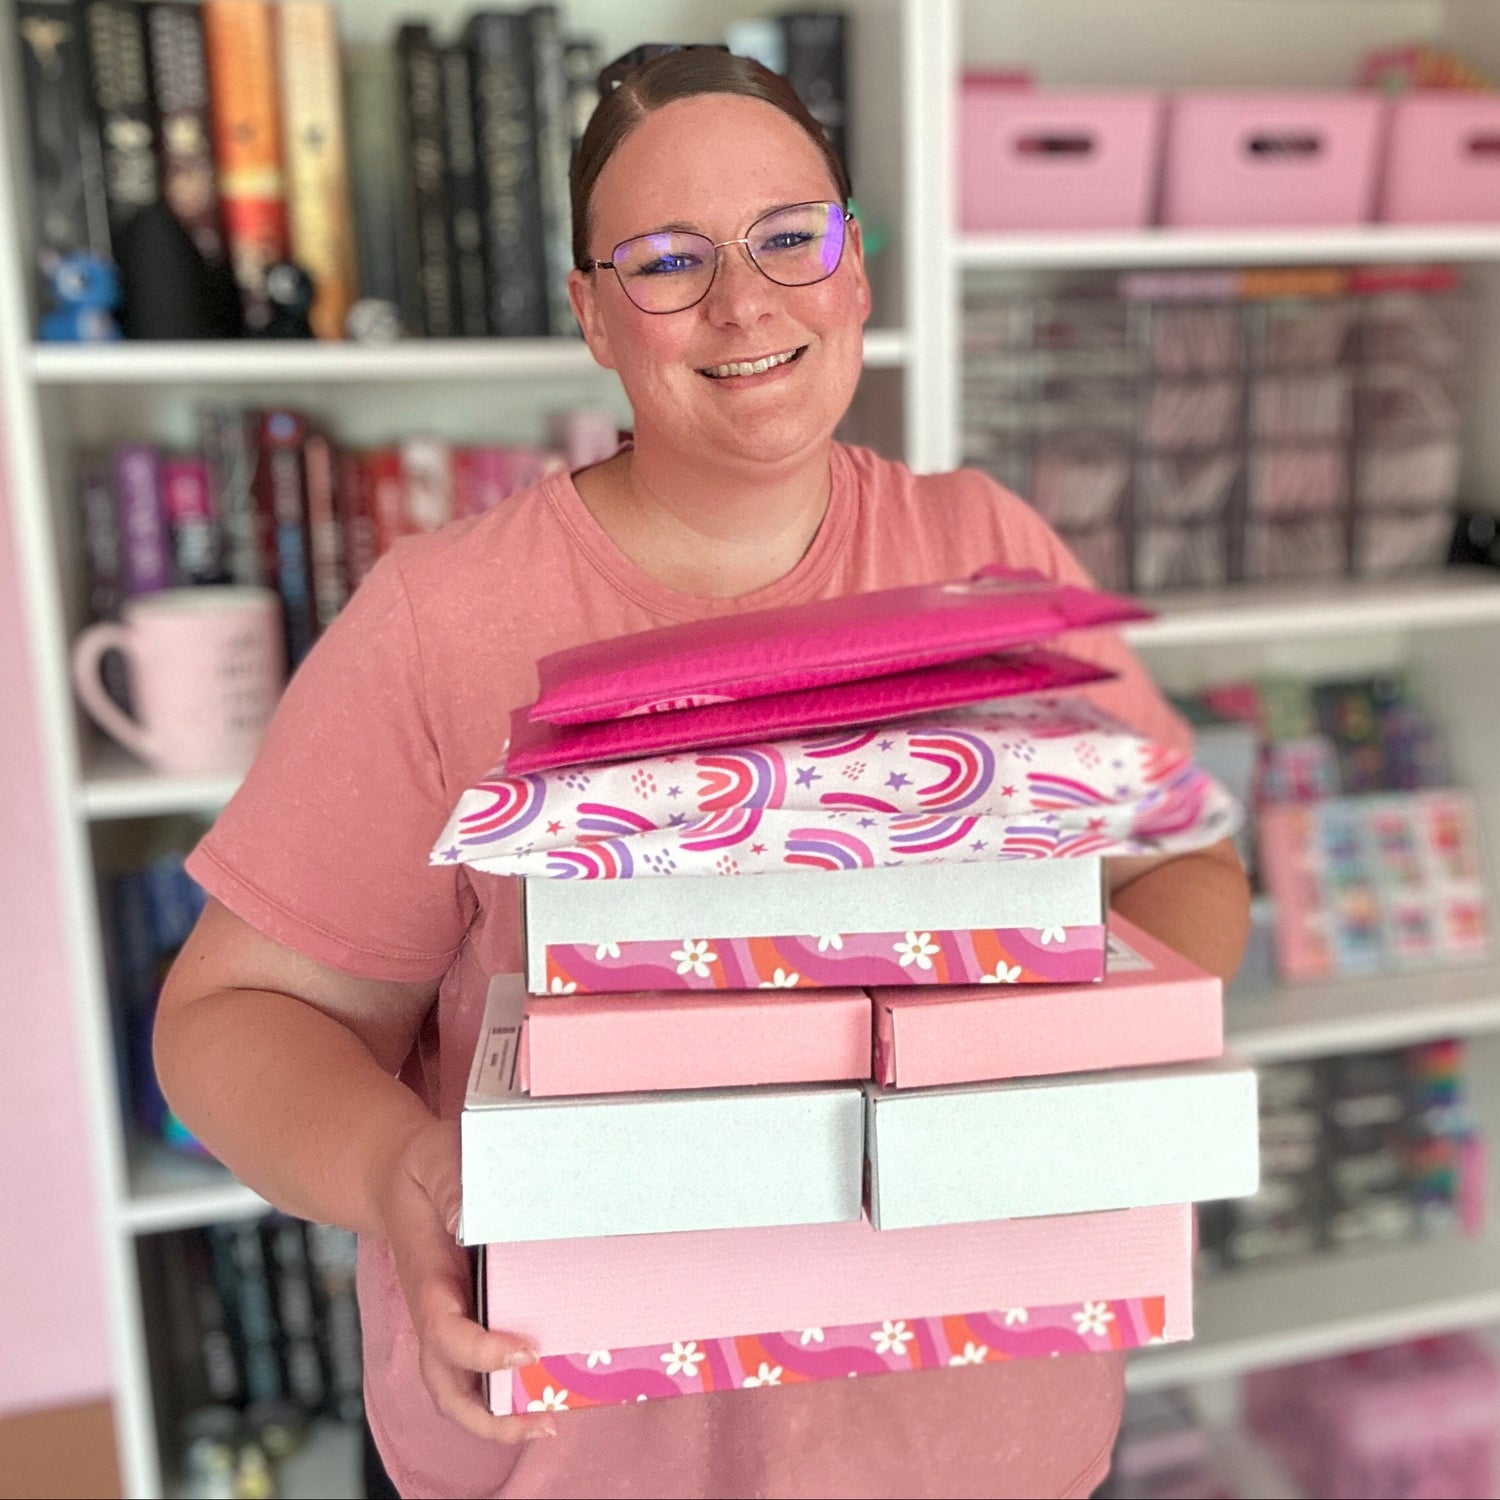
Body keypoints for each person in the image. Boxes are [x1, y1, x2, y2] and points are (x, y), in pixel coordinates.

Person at [156, 49, 1251, 1500]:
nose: (747, 302)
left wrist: (1071, 1069)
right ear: (592, 316)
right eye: (668, 262)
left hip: (991, 1446)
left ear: (857, 270)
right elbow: (232, 1018)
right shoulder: (438, 620)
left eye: (793, 238)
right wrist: (396, 1173)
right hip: (581, 1458)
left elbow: (1178, 866)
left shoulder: (986, 552)